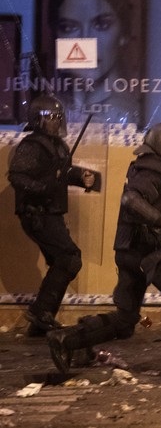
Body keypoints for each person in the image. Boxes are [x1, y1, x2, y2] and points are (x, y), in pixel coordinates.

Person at [46, 123, 161, 383]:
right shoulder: (153, 170)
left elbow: (151, 202)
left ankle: (66, 339)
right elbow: (132, 201)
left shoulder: (144, 165)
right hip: (145, 252)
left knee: (126, 321)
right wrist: (159, 218)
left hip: (130, 251)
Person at [8, 95, 97, 336]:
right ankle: (41, 312)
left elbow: (61, 173)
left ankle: (40, 323)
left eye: (59, 117)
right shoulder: (31, 146)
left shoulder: (59, 146)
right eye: (52, 118)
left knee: (61, 261)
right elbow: (18, 178)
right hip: (37, 213)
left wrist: (81, 178)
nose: (57, 122)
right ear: (38, 120)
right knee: (69, 258)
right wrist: (44, 187)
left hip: (52, 213)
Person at [43, 0, 147, 127]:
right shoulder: (50, 108)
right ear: (56, 36)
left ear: (123, 33)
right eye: (69, 27)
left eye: (102, 24)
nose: (86, 41)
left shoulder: (129, 113)